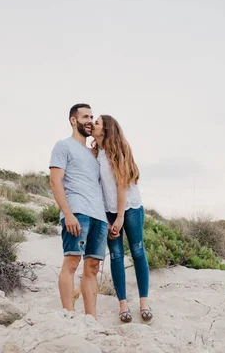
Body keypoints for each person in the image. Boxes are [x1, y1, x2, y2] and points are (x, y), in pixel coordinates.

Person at [49, 103, 109, 319]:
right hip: (77, 212)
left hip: (99, 217)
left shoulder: (94, 154)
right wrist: (68, 213)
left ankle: (90, 319)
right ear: (73, 120)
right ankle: (69, 316)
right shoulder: (63, 146)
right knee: (72, 262)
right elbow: (55, 182)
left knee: (92, 267)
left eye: (92, 117)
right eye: (85, 116)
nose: (90, 121)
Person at [92, 114, 152, 324]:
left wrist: (119, 217)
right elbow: (96, 189)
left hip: (130, 208)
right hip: (108, 211)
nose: (92, 124)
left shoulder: (118, 152)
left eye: (97, 122)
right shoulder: (94, 153)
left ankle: (144, 302)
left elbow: (121, 186)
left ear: (106, 129)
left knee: (137, 251)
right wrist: (105, 217)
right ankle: (123, 304)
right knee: (116, 255)